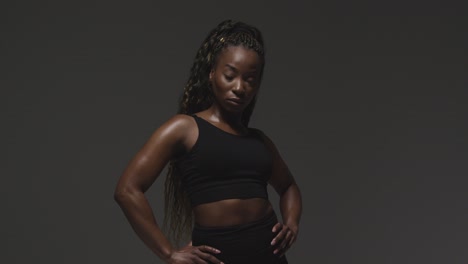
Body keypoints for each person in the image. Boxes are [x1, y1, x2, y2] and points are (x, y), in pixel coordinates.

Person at [114, 19, 302, 264]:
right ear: (212, 74)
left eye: (250, 79)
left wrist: (291, 223)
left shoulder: (259, 141)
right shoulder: (184, 128)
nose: (239, 87)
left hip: (269, 256)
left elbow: (289, 187)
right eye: (230, 75)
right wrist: (168, 252)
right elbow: (127, 190)